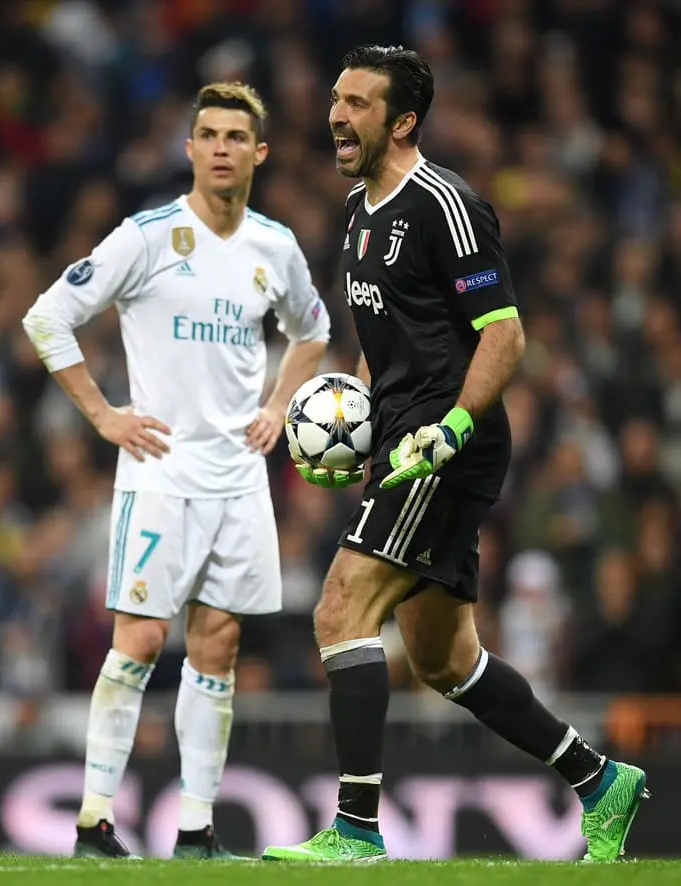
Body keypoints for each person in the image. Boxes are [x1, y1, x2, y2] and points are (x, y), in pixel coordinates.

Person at [263, 45, 647, 864]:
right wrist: (351, 416)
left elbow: (503, 335)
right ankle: (598, 778)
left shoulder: (448, 204)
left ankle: (357, 830)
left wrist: (454, 428)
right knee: (445, 660)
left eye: (357, 103)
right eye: (336, 98)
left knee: (340, 609)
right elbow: (382, 341)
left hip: (442, 442)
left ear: (402, 121)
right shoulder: (361, 211)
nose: (336, 113)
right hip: (400, 437)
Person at [22, 82, 330, 860]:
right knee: (140, 638)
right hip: (159, 470)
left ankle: (196, 830)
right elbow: (46, 316)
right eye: (208, 135)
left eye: (236, 136)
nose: (221, 147)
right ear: (188, 149)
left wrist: (278, 404)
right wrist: (103, 416)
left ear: (259, 153)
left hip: (239, 476)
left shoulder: (275, 246)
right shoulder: (147, 235)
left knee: (219, 645)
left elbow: (313, 330)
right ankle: (95, 821)